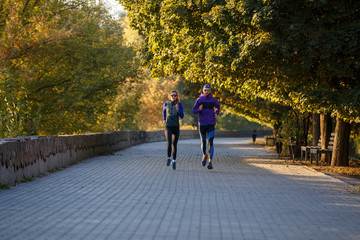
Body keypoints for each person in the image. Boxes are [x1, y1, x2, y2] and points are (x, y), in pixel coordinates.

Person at [192, 84, 220, 169]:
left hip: (211, 123)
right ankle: (204, 155)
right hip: (202, 123)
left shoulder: (213, 100)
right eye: (205, 90)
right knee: (203, 142)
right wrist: (199, 110)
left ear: (210, 91)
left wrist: (216, 113)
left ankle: (210, 162)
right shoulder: (199, 100)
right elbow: (194, 110)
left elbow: (218, 107)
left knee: (211, 142)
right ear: (203, 90)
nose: (206, 91)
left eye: (208, 90)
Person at [163, 90, 184, 170]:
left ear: (177, 97)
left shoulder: (179, 104)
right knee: (169, 143)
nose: (173, 97)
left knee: (174, 144)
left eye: (175, 95)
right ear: (169, 96)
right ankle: (169, 158)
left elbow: (182, 116)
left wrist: (178, 109)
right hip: (168, 126)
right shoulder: (166, 104)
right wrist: (164, 119)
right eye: (172, 95)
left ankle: (174, 161)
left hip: (175, 126)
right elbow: (164, 112)